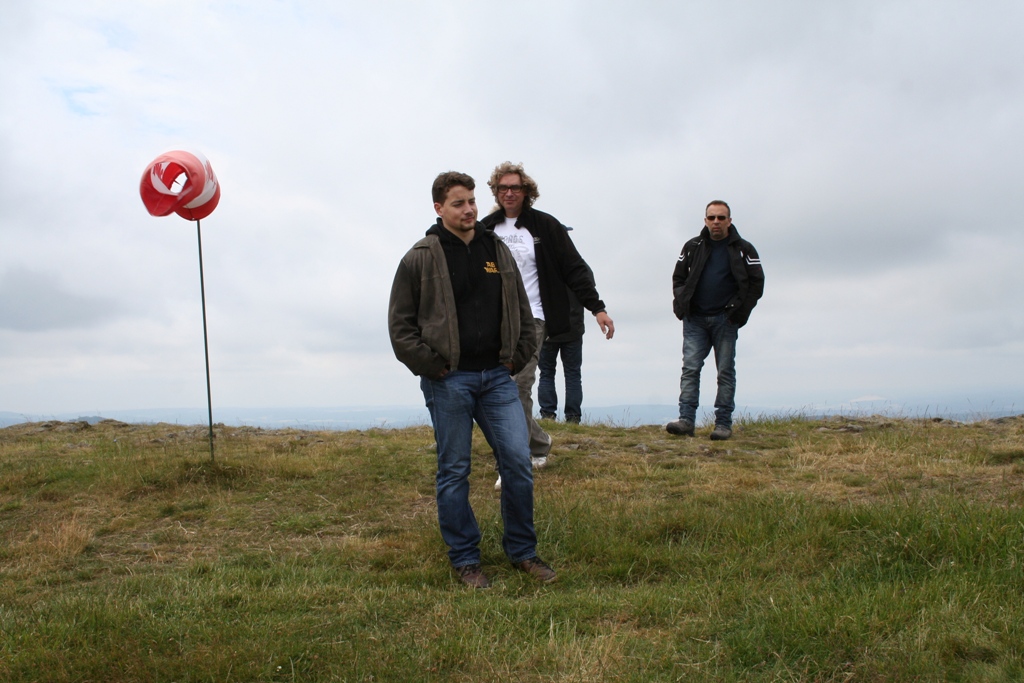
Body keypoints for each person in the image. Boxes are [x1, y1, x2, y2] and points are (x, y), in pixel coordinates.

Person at [388, 171, 556, 588]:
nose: (469, 210)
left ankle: (523, 552)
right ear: (439, 208)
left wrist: (515, 359)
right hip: (449, 381)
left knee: (517, 462)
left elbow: (522, 310)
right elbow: (401, 328)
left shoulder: (495, 249)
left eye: (472, 201)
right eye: (458, 203)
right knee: (454, 469)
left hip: (497, 378)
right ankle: (465, 559)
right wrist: (435, 367)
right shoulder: (419, 258)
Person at [480, 162, 614, 484]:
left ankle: (511, 462)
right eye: (502, 188)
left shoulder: (545, 226)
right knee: (497, 389)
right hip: (496, 321)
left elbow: (574, 268)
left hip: (534, 318)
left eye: (515, 187)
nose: (509, 193)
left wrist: (597, 308)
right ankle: (539, 443)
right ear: (496, 192)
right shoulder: (485, 229)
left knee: (518, 386)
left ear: (526, 191)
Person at [667, 200, 764, 441]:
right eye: (712, 218)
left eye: (721, 218)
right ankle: (686, 421)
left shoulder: (744, 249)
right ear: (705, 220)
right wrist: (683, 304)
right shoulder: (692, 247)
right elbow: (678, 278)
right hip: (695, 319)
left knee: (725, 372)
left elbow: (756, 283)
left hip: (726, 319)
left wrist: (739, 313)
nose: (716, 222)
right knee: (690, 369)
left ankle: (723, 424)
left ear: (729, 221)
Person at [538, 282, 585, 423]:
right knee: (573, 374)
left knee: (546, 373)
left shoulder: (544, 271)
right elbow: (587, 294)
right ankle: (573, 417)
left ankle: (547, 415)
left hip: (548, 330)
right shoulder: (580, 271)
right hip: (573, 329)